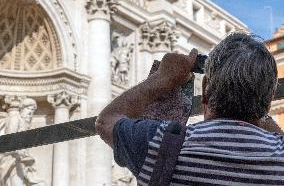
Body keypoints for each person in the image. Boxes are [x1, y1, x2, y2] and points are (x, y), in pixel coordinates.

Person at [96, 33, 284, 185]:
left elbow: (106, 120)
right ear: (268, 101)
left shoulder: (160, 143)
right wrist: (260, 109)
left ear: (205, 89)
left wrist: (162, 78)